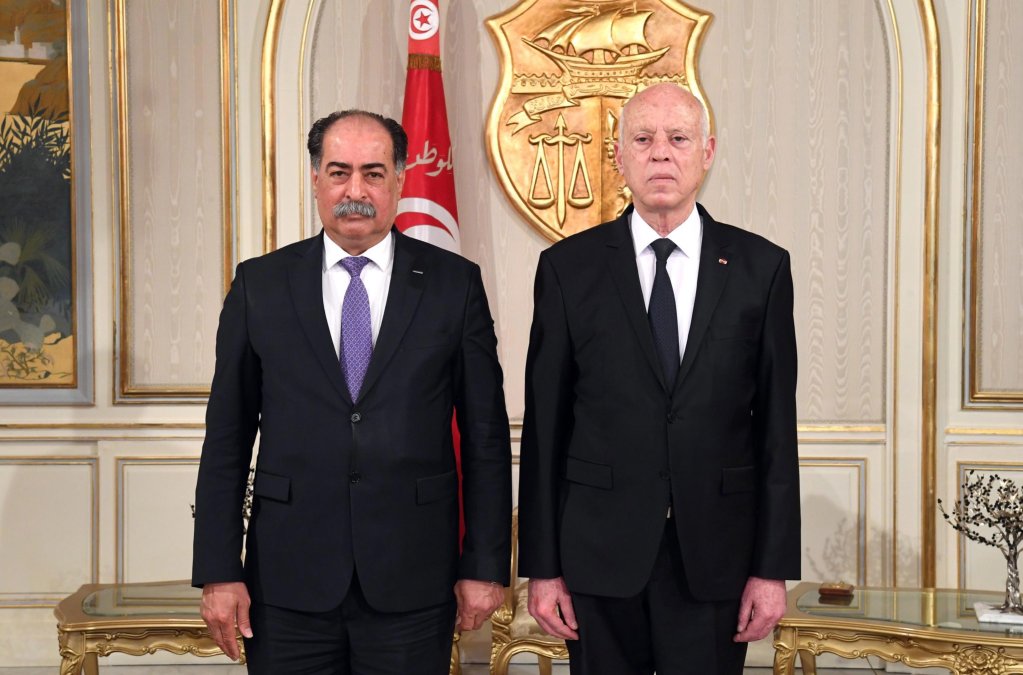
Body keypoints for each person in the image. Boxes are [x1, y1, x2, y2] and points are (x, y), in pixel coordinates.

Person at [192, 110, 512, 675]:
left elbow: (485, 437)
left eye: (373, 173)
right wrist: (219, 569)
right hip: (287, 582)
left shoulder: (454, 285)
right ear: (316, 179)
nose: (355, 191)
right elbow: (226, 439)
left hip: (413, 580)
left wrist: (485, 565)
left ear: (400, 180)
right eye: (340, 172)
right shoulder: (259, 285)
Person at [518, 83, 801, 674]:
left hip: (716, 557)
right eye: (643, 139)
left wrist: (771, 570)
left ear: (708, 152)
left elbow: (776, 430)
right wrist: (541, 569)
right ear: (619, 156)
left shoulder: (761, 268)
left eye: (678, 138)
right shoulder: (568, 269)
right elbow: (546, 429)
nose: (661, 153)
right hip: (598, 557)